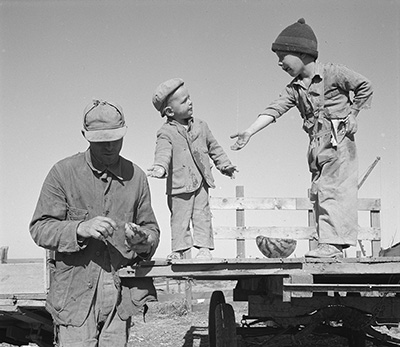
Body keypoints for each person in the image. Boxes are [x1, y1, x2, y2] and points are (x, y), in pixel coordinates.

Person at [231, 18, 373, 258]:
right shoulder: (294, 89)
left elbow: (364, 86)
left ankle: (332, 245)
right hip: (317, 148)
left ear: (301, 53)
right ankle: (329, 245)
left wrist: (354, 114)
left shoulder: (333, 73)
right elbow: (273, 109)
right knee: (319, 192)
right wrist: (249, 131)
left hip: (340, 144)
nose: (279, 63)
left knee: (333, 190)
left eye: (282, 56)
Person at [29, 99, 160, 346]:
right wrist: (79, 228)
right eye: (102, 141)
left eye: (116, 139)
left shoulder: (137, 177)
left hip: (121, 295)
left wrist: (144, 241)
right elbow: (39, 228)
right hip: (75, 296)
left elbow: (151, 229)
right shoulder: (63, 173)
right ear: (85, 136)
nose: (110, 147)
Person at [148, 78, 237, 260]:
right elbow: (163, 151)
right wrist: (160, 167)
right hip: (179, 185)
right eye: (184, 101)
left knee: (202, 215)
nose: (190, 102)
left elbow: (214, 147)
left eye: (189, 97)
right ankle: (180, 250)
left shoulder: (202, 126)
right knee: (179, 219)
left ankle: (204, 249)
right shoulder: (166, 132)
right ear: (169, 111)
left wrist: (224, 165)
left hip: (201, 182)